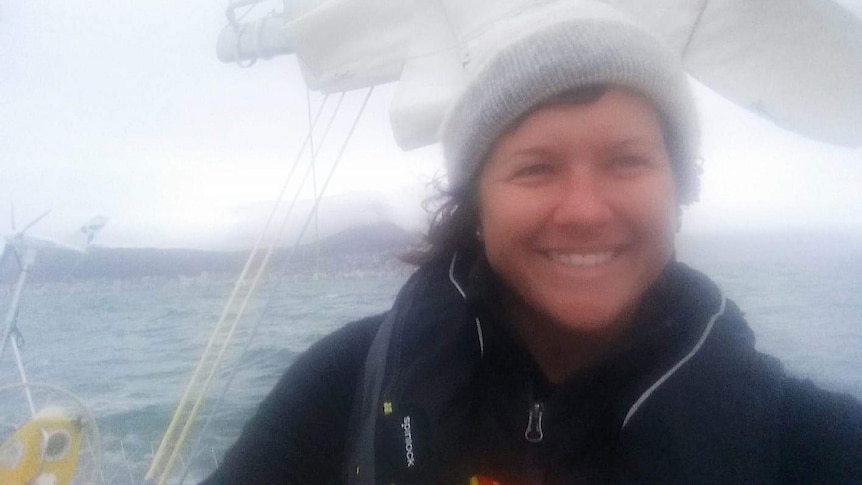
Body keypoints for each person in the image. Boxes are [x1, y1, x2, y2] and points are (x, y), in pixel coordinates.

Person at [202, 5, 862, 484]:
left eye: (627, 161)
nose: (583, 210)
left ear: (679, 189)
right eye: (536, 167)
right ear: (478, 209)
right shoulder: (344, 383)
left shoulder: (799, 439)